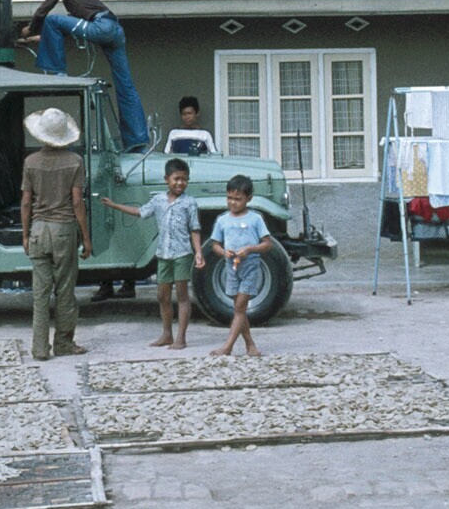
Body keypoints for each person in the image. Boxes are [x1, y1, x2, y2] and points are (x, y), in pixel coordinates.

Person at [18, 0, 148, 152]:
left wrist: (30, 29)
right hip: (115, 30)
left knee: (51, 19)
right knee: (126, 86)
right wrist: (32, 41)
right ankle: (137, 141)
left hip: (100, 26)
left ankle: (57, 72)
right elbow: (62, 32)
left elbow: (44, 10)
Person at [101, 158, 205, 349]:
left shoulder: (190, 203)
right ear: (167, 179)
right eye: (176, 179)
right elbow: (140, 212)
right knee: (162, 296)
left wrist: (198, 252)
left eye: (184, 179)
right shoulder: (158, 200)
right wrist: (114, 205)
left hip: (182, 254)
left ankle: (181, 338)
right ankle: (167, 334)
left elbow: (195, 229)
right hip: (163, 255)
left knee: (182, 296)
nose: (180, 183)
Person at [20, 107, 93, 360]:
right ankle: (63, 343)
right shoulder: (75, 161)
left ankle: (40, 348)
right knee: (65, 291)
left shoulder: (30, 162)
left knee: (40, 295)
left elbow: (26, 202)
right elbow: (77, 203)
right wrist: (86, 238)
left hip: (38, 230)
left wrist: (25, 235)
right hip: (64, 231)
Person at [209, 175, 272, 358]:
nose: (232, 202)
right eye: (229, 198)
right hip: (231, 266)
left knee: (239, 308)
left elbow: (268, 244)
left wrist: (251, 249)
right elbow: (214, 245)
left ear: (248, 198)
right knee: (239, 308)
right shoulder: (222, 220)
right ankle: (250, 345)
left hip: (250, 266)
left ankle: (227, 347)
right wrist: (223, 252)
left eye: (238, 199)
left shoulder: (256, 219)